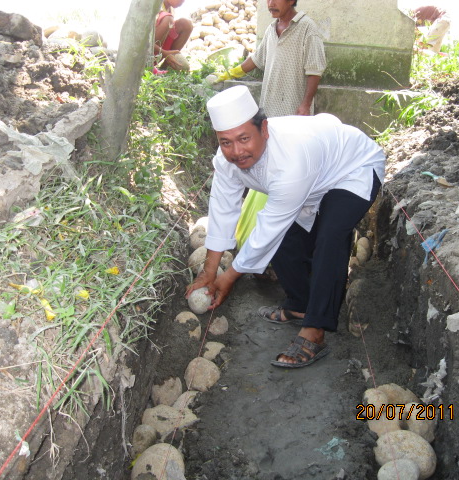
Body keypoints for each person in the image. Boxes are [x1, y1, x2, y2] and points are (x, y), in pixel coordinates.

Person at [186, 86, 385, 368]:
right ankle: (300, 305)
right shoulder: (226, 160)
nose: (237, 151)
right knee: (285, 237)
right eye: (226, 142)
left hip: (353, 169)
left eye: (244, 138)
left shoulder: (291, 156)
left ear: (264, 129)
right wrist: (209, 272)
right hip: (314, 177)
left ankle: (315, 329)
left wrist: (228, 277)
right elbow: (222, 208)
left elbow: (270, 226)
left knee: (330, 237)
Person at [214, 0, 327, 247]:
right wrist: (230, 73)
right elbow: (256, 60)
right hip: (271, 114)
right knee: (264, 169)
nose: (271, 3)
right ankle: (258, 238)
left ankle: (284, 239)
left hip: (294, 118)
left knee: (287, 174)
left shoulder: (307, 29)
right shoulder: (271, 29)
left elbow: (315, 70)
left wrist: (305, 104)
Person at [153, 0, 193, 72]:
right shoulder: (154, 6)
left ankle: (166, 67)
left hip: (158, 53)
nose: (182, 2)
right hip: (143, 53)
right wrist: (165, 53)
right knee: (168, 19)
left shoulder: (170, 9)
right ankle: (148, 66)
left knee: (186, 24)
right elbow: (144, 42)